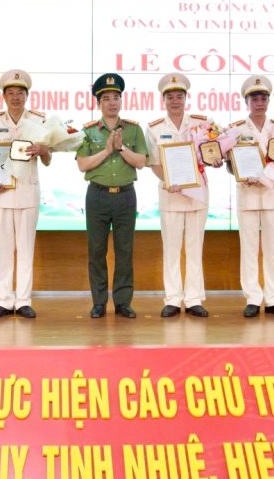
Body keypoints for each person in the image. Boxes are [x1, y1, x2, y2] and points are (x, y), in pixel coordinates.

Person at [76, 73, 148, 319]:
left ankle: (123, 302)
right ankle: (98, 302)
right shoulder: (88, 132)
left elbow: (141, 161)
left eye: (116, 97)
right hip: (97, 196)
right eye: (106, 98)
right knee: (96, 251)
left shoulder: (134, 130)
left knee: (124, 250)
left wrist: (121, 148)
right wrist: (107, 151)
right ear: (99, 103)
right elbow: (83, 165)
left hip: (126, 196)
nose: (112, 102)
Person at [229, 75, 274, 318]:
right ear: (246, 101)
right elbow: (230, 164)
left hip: (272, 193)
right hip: (247, 194)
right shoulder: (236, 129)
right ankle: (252, 297)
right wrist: (237, 170)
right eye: (255, 98)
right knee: (248, 248)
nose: (260, 102)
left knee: (272, 248)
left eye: (264, 98)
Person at [145, 72, 211, 318]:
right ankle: (172, 298)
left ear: (186, 98)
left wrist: (214, 158)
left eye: (179, 96)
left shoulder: (202, 124)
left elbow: (211, 154)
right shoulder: (154, 128)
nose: (175, 100)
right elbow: (153, 162)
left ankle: (194, 298)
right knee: (171, 250)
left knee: (195, 249)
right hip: (171, 196)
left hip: (197, 196)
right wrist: (168, 179)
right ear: (163, 99)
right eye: (170, 96)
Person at [0, 70, 50, 319]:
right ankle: (3, 300)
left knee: (25, 248)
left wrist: (43, 149)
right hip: (0, 193)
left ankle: (23, 300)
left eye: (20, 93)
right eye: (10, 93)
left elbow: (47, 159)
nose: (15, 97)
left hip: (27, 191)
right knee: (2, 249)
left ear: (27, 96)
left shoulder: (38, 120)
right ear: (3, 96)